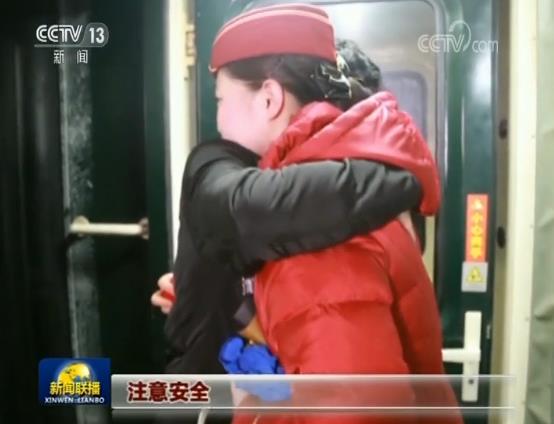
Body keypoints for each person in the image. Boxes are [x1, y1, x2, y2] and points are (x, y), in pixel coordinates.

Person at [173, 4, 462, 424]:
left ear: (269, 99)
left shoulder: (313, 235)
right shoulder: (345, 182)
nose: (218, 121)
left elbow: (356, 413)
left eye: (221, 100)